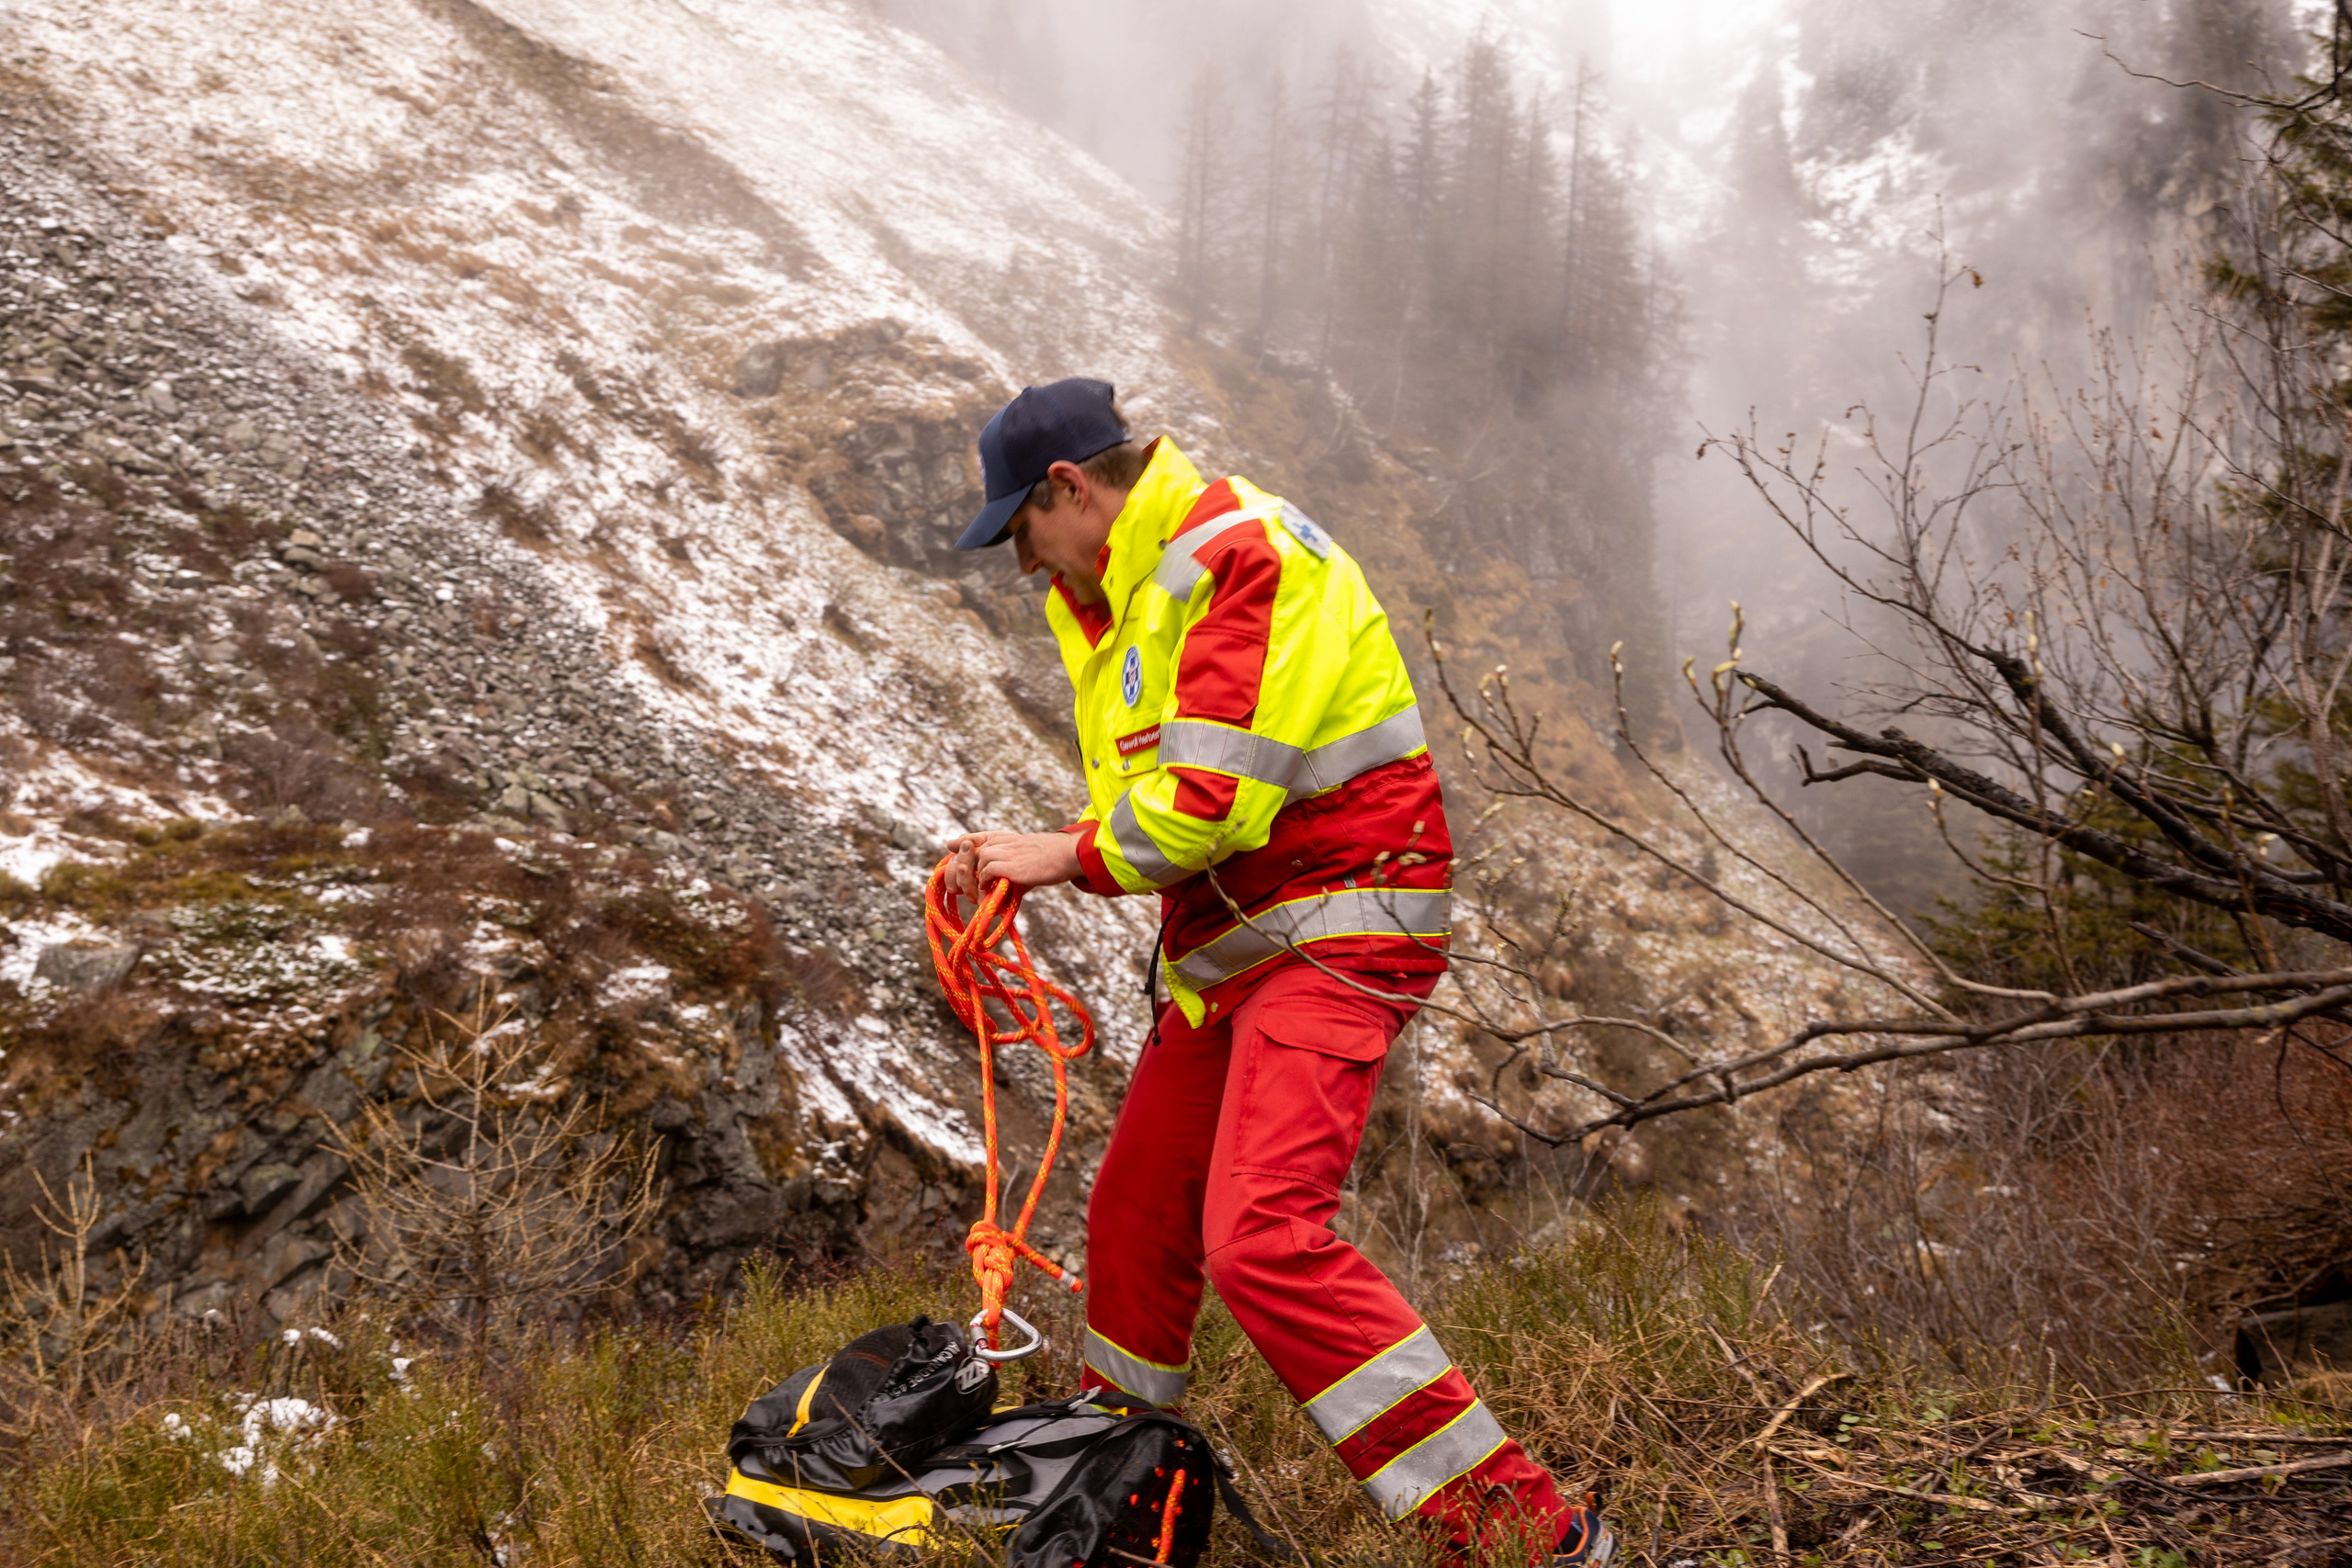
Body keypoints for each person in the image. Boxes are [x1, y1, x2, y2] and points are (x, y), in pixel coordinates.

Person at [944, 378, 1613, 1565]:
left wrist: (1055, 857)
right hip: (1241, 946)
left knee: (1261, 1238)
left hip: (1346, 922)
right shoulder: (1118, 595)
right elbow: (1169, 799)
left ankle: (1530, 1538)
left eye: (1020, 531)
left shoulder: (1232, 561)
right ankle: (1114, 1492)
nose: (1021, 563)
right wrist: (1034, 857)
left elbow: (1204, 806)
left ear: (1072, 489)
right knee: (1138, 1214)